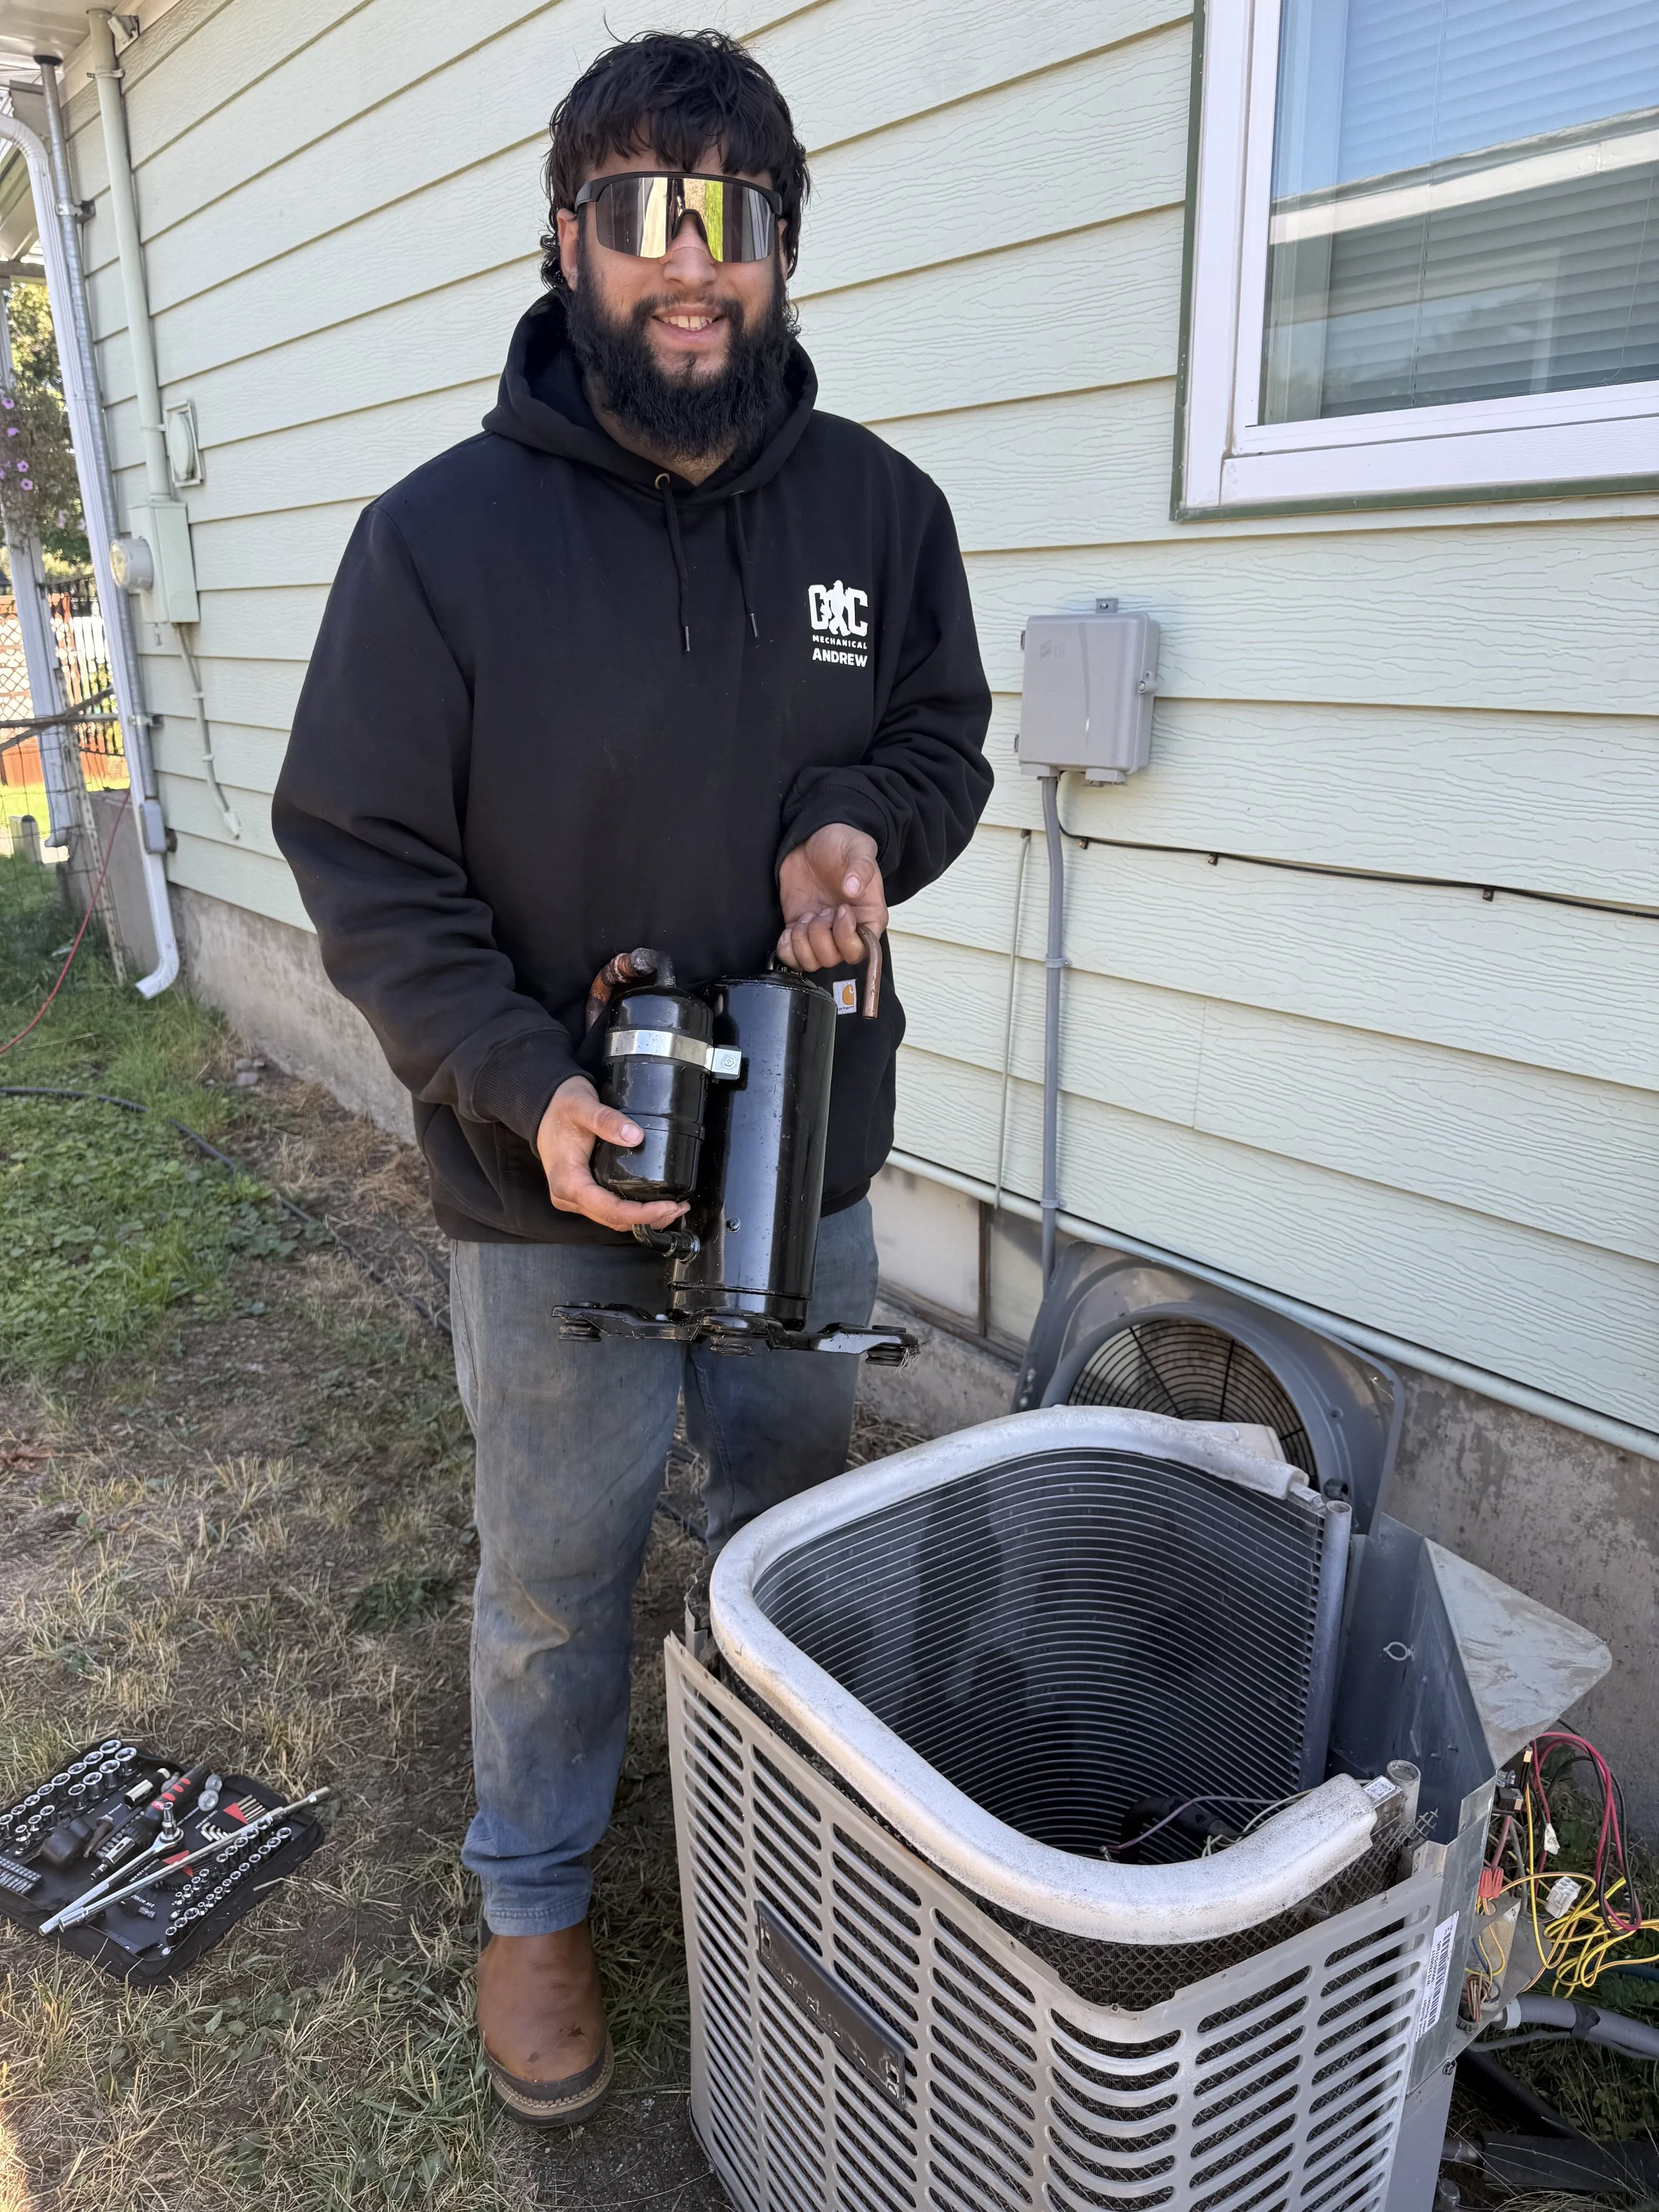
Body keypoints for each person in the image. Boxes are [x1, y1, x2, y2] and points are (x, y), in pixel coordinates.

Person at [271, 28, 991, 2129]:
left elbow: (938, 737)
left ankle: (822, 1867)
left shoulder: (882, 510)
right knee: (558, 1568)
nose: (689, 266)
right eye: (638, 215)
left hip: (804, 1157)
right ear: (562, 237)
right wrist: (517, 1079)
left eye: (730, 220)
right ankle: (535, 1900)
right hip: (546, 1173)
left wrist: (868, 822)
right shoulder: (438, 543)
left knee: (796, 1531)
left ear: (779, 247)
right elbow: (365, 859)